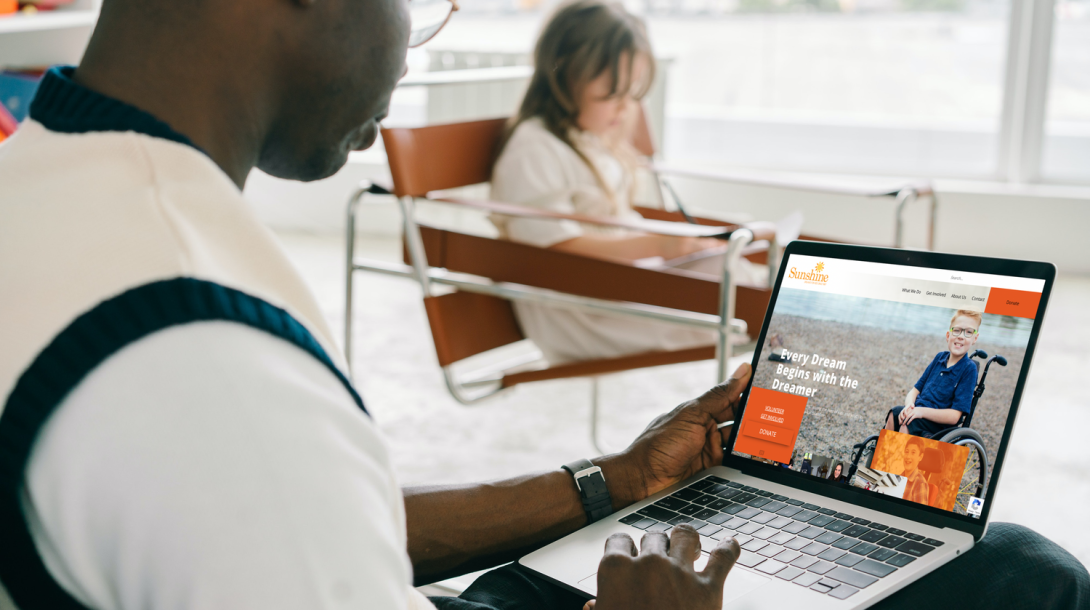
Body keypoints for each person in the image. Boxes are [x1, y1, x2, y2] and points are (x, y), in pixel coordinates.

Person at [0, 1, 1086, 609]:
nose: (410, 41)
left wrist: (613, 481)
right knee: (1026, 584)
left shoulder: (47, 183)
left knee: (1002, 564)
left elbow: (319, 516)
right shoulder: (200, 343)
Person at [488, 0, 765, 364]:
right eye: (613, 93)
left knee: (746, 275)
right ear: (564, 75)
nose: (625, 107)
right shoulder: (534, 147)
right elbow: (551, 250)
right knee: (742, 289)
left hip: (620, 288)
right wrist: (655, 244)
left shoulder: (588, 138)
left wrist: (677, 246)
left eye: (632, 94)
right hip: (582, 314)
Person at [886, 309, 981, 437]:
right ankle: (883, 454)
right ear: (948, 335)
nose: (961, 336)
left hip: (939, 425)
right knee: (895, 414)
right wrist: (909, 405)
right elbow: (915, 391)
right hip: (919, 413)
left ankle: (899, 456)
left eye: (968, 332)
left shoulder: (969, 369)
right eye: (957, 330)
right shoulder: (939, 358)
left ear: (975, 338)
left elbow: (954, 416)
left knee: (908, 422)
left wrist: (921, 412)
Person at [901, 438, 931, 506]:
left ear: (920, 457)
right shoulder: (898, 478)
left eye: (913, 453)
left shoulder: (920, 484)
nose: (908, 456)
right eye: (906, 451)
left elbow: (919, 514)